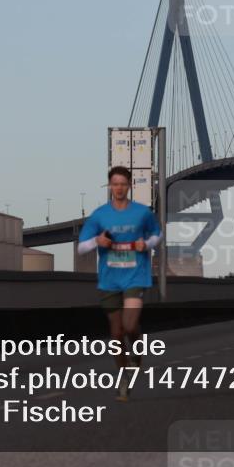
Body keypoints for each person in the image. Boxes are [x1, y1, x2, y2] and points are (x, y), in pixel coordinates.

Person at [78, 166, 162, 402]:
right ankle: (124, 376)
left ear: (129, 186)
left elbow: (157, 234)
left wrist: (147, 244)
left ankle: (136, 353)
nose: (119, 188)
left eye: (123, 184)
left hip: (136, 276)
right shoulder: (99, 215)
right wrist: (97, 240)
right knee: (116, 334)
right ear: (110, 186)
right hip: (110, 279)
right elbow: (81, 246)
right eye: (115, 184)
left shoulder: (142, 213)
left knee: (130, 325)